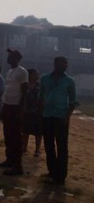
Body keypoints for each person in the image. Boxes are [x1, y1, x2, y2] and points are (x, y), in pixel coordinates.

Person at [39, 56, 78, 186]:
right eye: (63, 64)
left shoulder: (69, 81)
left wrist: (67, 117)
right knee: (49, 146)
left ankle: (61, 177)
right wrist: (41, 114)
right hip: (47, 116)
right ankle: (52, 172)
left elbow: (73, 102)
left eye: (66, 64)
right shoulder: (45, 78)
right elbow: (40, 97)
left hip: (61, 117)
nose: (65, 66)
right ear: (55, 64)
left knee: (62, 147)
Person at [0, 48, 28, 176]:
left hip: (15, 107)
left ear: (16, 58)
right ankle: (9, 160)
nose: (8, 58)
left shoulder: (22, 72)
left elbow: (24, 92)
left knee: (16, 137)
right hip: (7, 105)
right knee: (8, 135)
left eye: (11, 56)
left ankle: (18, 165)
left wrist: (21, 110)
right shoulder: (9, 71)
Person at [22, 68, 42, 157]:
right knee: (25, 131)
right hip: (26, 111)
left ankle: (37, 150)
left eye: (37, 74)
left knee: (38, 132)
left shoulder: (40, 86)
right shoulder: (25, 85)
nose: (37, 76)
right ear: (29, 75)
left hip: (37, 111)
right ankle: (24, 147)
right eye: (35, 74)